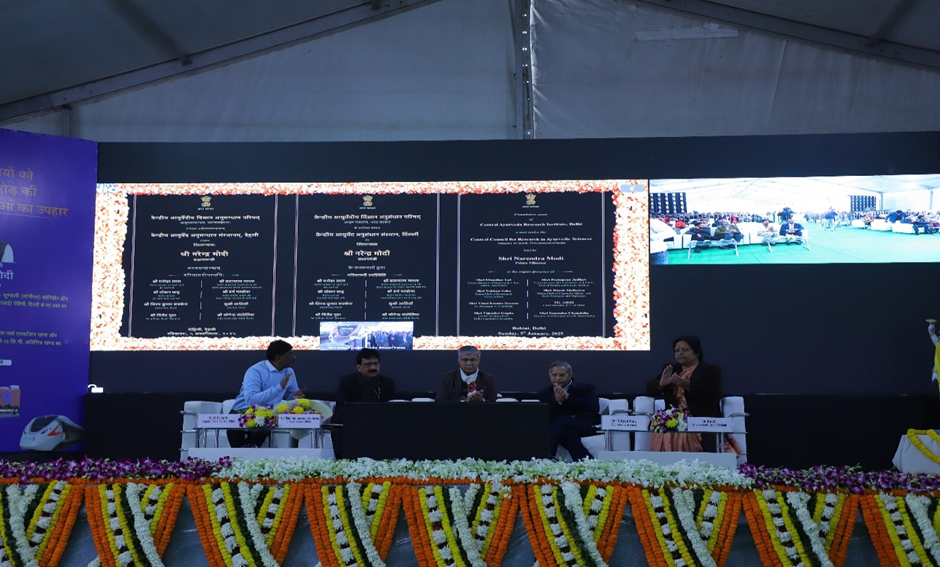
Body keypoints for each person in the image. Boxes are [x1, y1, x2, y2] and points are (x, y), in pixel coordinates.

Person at [645, 335, 722, 452]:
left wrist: (689, 386)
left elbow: (713, 396)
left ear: (696, 352)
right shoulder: (672, 369)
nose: (680, 353)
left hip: (699, 418)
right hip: (673, 419)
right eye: (677, 350)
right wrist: (660, 384)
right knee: (659, 424)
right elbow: (649, 390)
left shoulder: (711, 370)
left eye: (684, 350)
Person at [228, 340, 304, 448]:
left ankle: (249, 451)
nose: (294, 357)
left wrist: (295, 396)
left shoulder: (289, 371)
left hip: (267, 413)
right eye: (290, 354)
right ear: (278, 358)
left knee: (265, 424)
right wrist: (279, 388)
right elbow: (251, 400)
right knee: (236, 430)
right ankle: (244, 452)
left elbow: (290, 396)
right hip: (242, 410)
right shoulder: (255, 371)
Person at [331, 348, 397, 458]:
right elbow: (341, 405)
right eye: (368, 364)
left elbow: (391, 407)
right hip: (354, 419)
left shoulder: (387, 383)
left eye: (376, 363)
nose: (373, 367)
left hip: (380, 420)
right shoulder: (347, 382)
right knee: (337, 418)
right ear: (358, 367)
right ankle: (341, 456)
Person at [537, 361, 600, 460]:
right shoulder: (545, 393)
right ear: (550, 375)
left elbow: (593, 409)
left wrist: (568, 397)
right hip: (561, 427)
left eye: (561, 375)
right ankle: (588, 462)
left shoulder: (585, 388)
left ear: (570, 375)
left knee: (561, 420)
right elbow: (547, 417)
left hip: (585, 422)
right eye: (554, 375)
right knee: (567, 435)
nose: (557, 378)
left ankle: (545, 458)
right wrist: (558, 402)